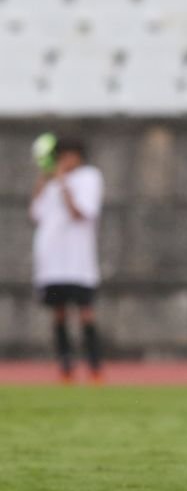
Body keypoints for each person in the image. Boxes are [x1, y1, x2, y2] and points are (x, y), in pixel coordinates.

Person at [30, 135, 106, 383]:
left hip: (78, 262)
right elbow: (35, 213)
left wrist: (63, 183)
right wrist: (45, 177)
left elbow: (80, 213)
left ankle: (95, 366)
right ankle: (65, 367)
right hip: (52, 263)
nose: (63, 161)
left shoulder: (89, 178)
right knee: (59, 314)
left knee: (86, 313)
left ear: (77, 156)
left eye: (67, 156)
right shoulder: (50, 183)